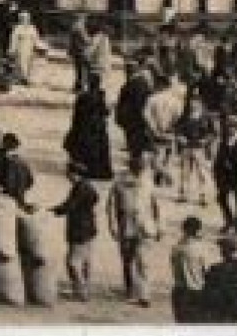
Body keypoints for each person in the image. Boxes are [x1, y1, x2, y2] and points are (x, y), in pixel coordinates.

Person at [107, 154, 162, 307]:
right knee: (127, 261)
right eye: (137, 168)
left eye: (142, 167)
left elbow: (156, 205)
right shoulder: (119, 182)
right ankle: (130, 290)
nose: (140, 170)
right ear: (130, 167)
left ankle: (144, 295)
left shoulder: (148, 181)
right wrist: (112, 226)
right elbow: (111, 207)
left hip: (145, 227)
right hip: (126, 227)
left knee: (144, 262)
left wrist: (159, 226)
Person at [52, 161, 99, 301]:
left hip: (79, 229)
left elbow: (71, 205)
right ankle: (85, 289)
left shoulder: (80, 188)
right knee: (85, 260)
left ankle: (80, 292)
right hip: (89, 228)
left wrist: (56, 210)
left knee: (72, 262)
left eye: (68, 172)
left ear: (74, 174)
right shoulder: (87, 186)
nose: (67, 175)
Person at [198, 235, 237, 323]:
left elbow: (207, 293)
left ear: (223, 251)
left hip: (222, 315)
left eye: (222, 249)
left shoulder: (215, 270)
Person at [64, 74, 115, 181]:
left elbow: (77, 114)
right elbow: (105, 112)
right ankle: (98, 170)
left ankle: (84, 168)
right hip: (98, 127)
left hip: (85, 126)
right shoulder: (101, 96)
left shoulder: (83, 97)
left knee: (83, 147)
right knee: (98, 149)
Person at [173, 93, 215, 206]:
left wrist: (205, 140)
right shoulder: (185, 116)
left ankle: (203, 196)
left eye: (195, 102)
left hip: (200, 149)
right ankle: (183, 195)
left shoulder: (206, 117)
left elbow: (212, 133)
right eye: (191, 102)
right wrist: (180, 137)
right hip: (186, 148)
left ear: (200, 104)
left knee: (202, 173)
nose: (193, 104)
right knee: (184, 172)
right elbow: (177, 129)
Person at [169, 215, 211, 323]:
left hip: (179, 291)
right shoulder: (200, 248)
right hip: (196, 291)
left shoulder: (175, 248)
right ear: (197, 230)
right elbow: (206, 270)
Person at [115, 63, 155, 163]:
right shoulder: (142, 82)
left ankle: (136, 164)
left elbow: (138, 104)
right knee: (135, 144)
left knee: (135, 144)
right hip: (134, 120)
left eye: (127, 70)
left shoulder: (135, 83)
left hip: (134, 120)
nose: (126, 72)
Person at [8, 10, 44, 86]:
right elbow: (14, 39)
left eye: (27, 19)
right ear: (20, 19)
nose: (25, 20)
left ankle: (26, 77)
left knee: (29, 64)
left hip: (30, 48)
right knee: (21, 64)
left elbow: (36, 38)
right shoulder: (17, 28)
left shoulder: (32, 28)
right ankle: (23, 79)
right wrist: (12, 49)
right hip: (21, 48)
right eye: (23, 19)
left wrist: (40, 46)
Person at [0, 132, 35, 206]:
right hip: (17, 195)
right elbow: (30, 180)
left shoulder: (4, 158)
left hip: (7, 194)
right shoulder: (21, 161)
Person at [67, 15, 92, 93]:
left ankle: (77, 86)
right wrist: (91, 40)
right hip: (80, 51)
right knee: (83, 70)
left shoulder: (74, 26)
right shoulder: (80, 27)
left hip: (75, 51)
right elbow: (85, 40)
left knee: (78, 70)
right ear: (81, 19)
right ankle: (80, 87)